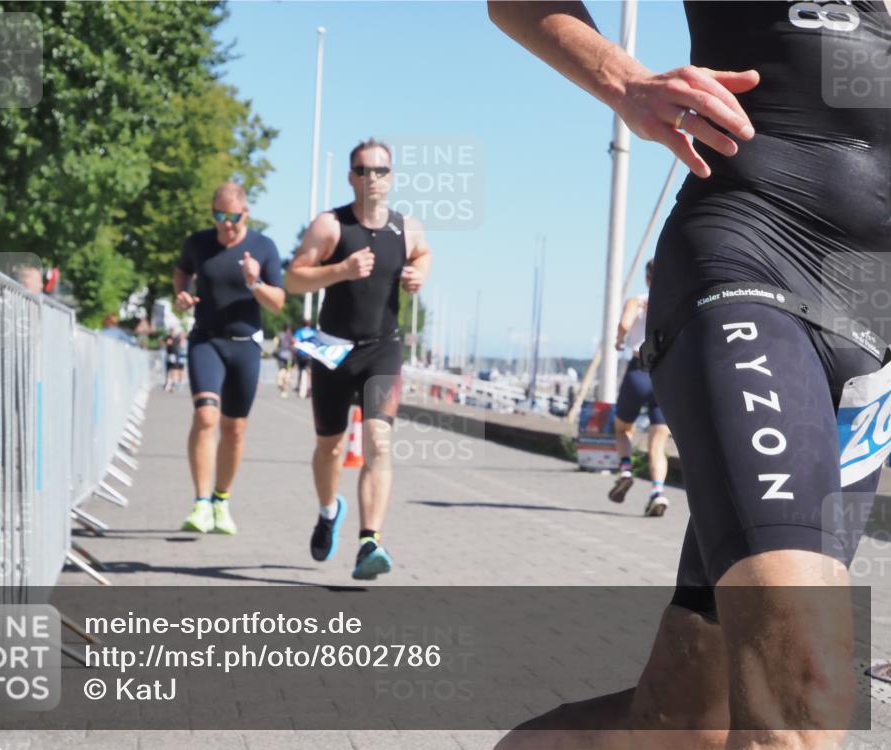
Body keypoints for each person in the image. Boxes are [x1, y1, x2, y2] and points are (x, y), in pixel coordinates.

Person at [489, 2, 890, 749]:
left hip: (875, 330)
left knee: (680, 723)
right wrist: (627, 83)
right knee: (803, 693)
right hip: (754, 254)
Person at [286, 138, 432, 580]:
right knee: (329, 446)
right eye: (364, 170)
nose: (373, 178)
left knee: (378, 442)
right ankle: (329, 510)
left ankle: (370, 540)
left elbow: (423, 255)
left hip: (382, 349)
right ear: (351, 176)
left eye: (381, 170)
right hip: (332, 349)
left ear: (391, 177)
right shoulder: (330, 226)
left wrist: (417, 276)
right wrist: (340, 271)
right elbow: (293, 279)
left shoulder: (407, 228)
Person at [175, 182, 285, 534]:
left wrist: (254, 283)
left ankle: (222, 499)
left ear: (245, 213)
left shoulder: (263, 247)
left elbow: (278, 302)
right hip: (206, 340)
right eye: (219, 216)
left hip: (245, 345)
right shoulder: (198, 244)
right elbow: (183, 272)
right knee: (206, 416)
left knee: (234, 430)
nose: (226, 224)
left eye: (232, 217)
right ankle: (201, 504)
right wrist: (181, 293)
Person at [607, 260, 670, 516]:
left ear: (647, 278)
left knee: (623, 428)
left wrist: (620, 341)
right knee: (658, 444)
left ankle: (625, 468)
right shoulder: (673, 303)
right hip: (664, 375)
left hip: (638, 372)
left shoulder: (638, 300)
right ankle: (657, 492)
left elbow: (624, 324)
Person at [274, 323, 296, 398]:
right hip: (289, 356)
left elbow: (276, 343)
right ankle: (284, 390)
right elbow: (294, 346)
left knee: (281, 369)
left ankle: (280, 382)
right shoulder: (291, 336)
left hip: (280, 355)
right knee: (287, 371)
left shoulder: (279, 335)